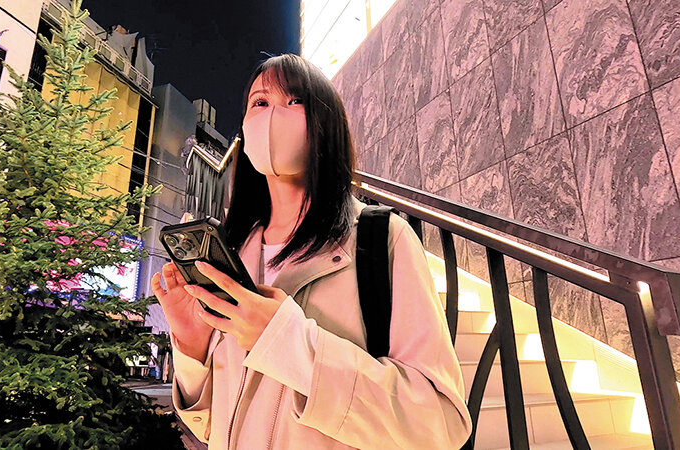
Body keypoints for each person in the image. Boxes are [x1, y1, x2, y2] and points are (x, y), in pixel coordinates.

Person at [151, 54, 472, 449]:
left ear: (325, 122)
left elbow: (439, 423)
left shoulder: (381, 238)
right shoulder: (234, 251)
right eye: (260, 102)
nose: (273, 116)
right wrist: (192, 345)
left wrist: (289, 343)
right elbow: (210, 426)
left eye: (295, 100)